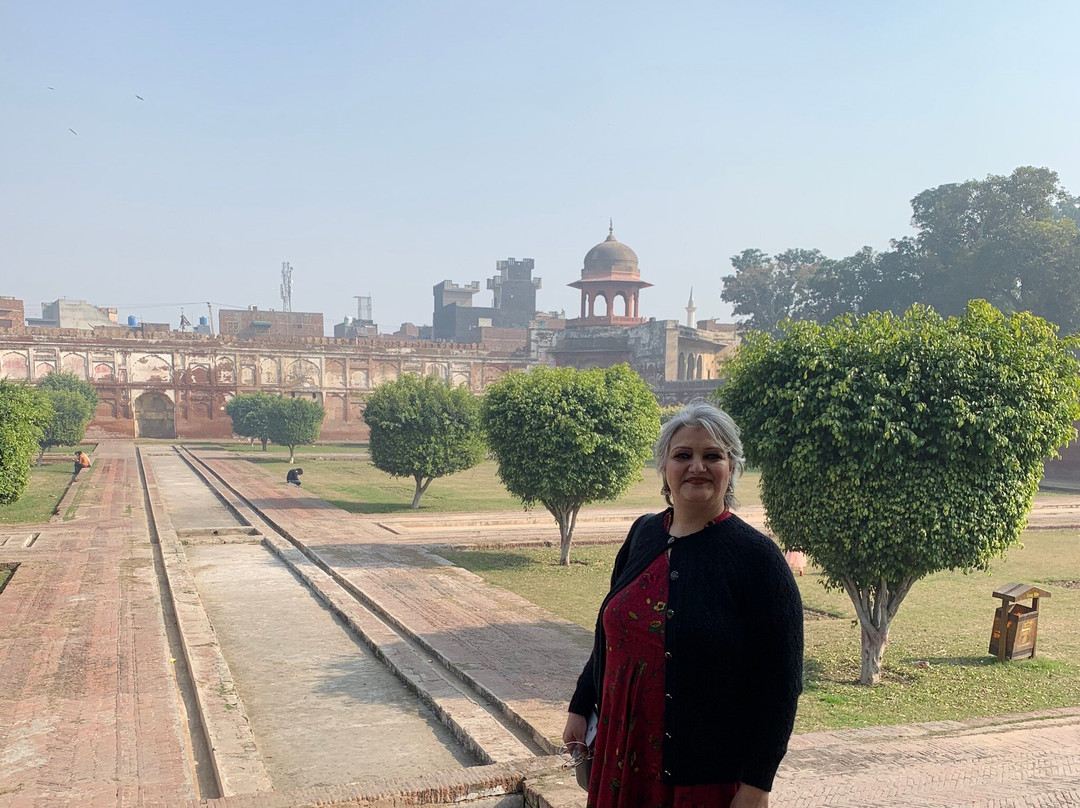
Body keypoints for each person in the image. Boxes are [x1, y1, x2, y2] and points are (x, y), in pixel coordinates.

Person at [563, 400, 803, 808]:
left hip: (703, 777)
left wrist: (757, 783)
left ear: (731, 468)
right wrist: (581, 705)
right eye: (683, 455)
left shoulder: (757, 558)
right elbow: (612, 632)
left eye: (712, 456)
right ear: (664, 468)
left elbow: (781, 685)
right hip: (620, 754)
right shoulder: (643, 534)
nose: (697, 466)